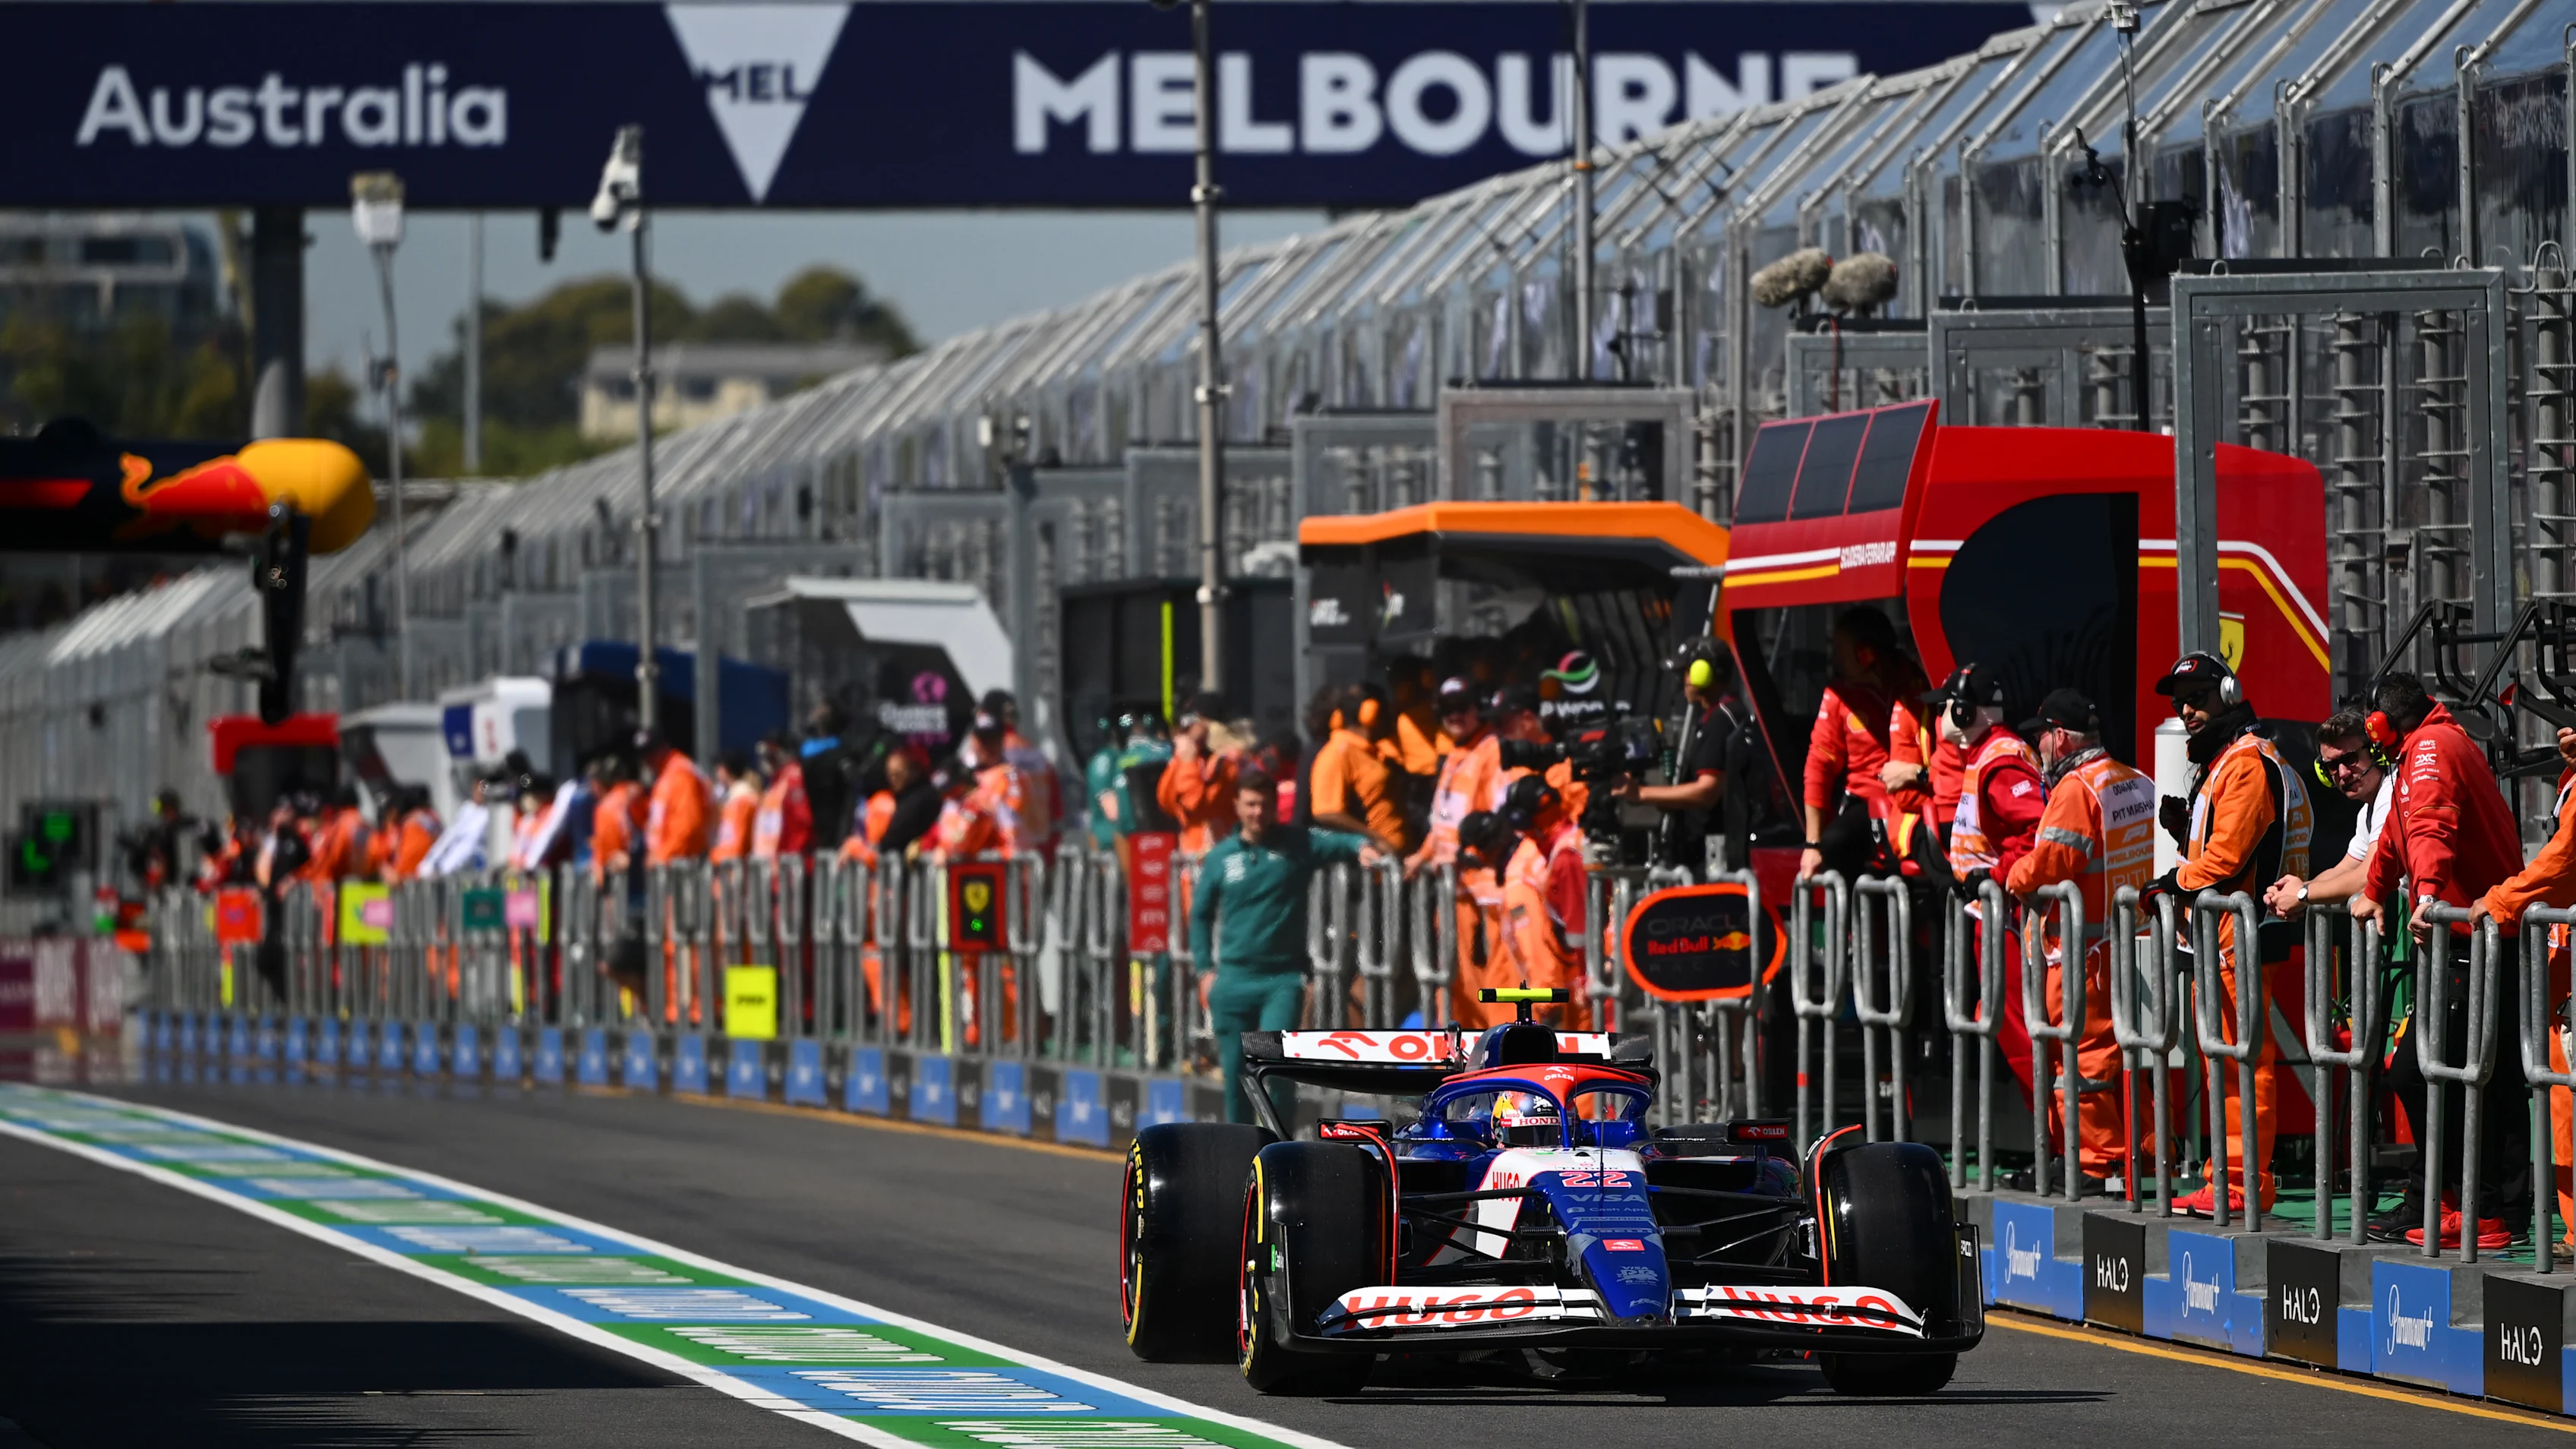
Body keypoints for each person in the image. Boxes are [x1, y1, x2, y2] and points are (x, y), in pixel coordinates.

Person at [2350, 672, 2526, 1248]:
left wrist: (2424, 897)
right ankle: (2463, 1201)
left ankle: (2479, 1208)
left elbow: (2430, 828)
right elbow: (2398, 839)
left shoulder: (2429, 749)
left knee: (2443, 1073)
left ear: (2381, 723)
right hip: (2474, 932)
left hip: (2475, 935)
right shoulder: (2428, 746)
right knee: (2461, 1073)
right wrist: (2376, 889)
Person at [2143, 651, 2312, 1218]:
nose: (2188, 710)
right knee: (2227, 1060)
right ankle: (2228, 1178)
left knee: (2239, 1060)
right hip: (2225, 936)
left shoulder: (2243, 762)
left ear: (2230, 692)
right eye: (2180, 700)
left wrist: (2169, 882)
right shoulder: (2231, 760)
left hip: (2235, 938)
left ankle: (2241, 1183)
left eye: (2198, 697)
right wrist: (2184, 826)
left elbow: (2225, 858)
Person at [2001, 689, 2158, 1192]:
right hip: (2127, 942)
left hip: (2080, 954)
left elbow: (2050, 865)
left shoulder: (2076, 789)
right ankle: (2145, 1149)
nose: (2039, 746)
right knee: (2124, 1053)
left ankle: (2094, 1161)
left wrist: (2013, 874)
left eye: (2041, 735)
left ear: (2062, 735)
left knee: (2081, 1057)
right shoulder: (2133, 780)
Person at [1190, 769, 1381, 1122]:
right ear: (1237, 806)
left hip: (1280, 980)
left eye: (1264, 804)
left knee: (1274, 1067)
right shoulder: (1220, 857)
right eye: (1250, 805)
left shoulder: (1296, 845)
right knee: (1236, 1076)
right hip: (1232, 981)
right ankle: (1241, 1151)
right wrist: (1204, 970)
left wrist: (1362, 847)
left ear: (1275, 806)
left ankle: (1280, 1151)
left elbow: (1337, 842)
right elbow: (1199, 915)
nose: (1257, 812)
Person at [2475, 725, 2576, 1256]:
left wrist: (2500, 901)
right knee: (2560, 1097)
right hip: (2565, 964)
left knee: (2566, 1095)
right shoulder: (2572, 777)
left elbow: (2561, 861)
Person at [1404, 677, 1507, 1027]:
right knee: (1453, 986)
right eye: (1447, 710)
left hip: (1482, 894)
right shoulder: (1457, 754)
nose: (1455, 716)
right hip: (1455, 894)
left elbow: (1498, 818)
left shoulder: (1491, 751)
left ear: (1478, 707)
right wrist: (1422, 856)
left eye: (1463, 707)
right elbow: (1444, 822)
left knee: (1488, 987)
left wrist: (1466, 856)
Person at [1799, 606, 1927, 880]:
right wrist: (1813, 844)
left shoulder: (1917, 682)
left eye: (1839, 649)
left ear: (1865, 653)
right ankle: (1852, 923)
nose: (1833, 658)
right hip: (1865, 803)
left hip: (1918, 797)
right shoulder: (1838, 695)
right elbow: (1819, 765)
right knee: (1834, 844)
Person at [1616, 639, 1747, 872]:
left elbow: (1707, 791)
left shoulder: (1720, 720)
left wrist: (1641, 794)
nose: (1682, 681)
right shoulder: (1722, 715)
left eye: (1686, 672)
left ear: (1705, 672)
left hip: (1710, 859)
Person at [2264, 709, 2394, 919]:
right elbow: (2343, 870)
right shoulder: (2368, 811)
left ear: (2376, 753)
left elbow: (2367, 876)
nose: (2342, 773)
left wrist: (2301, 895)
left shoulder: (2391, 793)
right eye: (2332, 765)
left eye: (2350, 759)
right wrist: (2292, 891)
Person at [1495, 774, 1593, 1031]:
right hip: (1601, 972)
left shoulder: (1543, 864)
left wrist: (1547, 1003)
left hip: (1586, 986)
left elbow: (1537, 940)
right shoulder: (1577, 837)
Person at [1941, 665, 2045, 893]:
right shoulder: (1985, 751)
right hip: (1992, 902)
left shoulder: (2000, 762)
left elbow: (2040, 829)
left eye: (1945, 705)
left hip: (2007, 911)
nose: (1942, 714)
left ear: (1963, 711)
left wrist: (1995, 876)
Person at [1308, 682, 1410, 854]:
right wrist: (1374, 838)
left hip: (1394, 866)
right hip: (1371, 869)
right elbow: (1326, 813)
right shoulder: (1338, 753)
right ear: (1371, 713)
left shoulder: (1371, 752)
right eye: (1385, 711)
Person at [1158, 691, 1243, 856]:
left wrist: (1188, 763)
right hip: (1193, 857)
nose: (1184, 730)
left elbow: (1194, 805)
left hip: (1221, 858)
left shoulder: (1228, 761)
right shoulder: (1194, 758)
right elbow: (1167, 802)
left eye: (1191, 722)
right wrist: (1181, 759)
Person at [640, 731, 712, 867]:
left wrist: (663, 855)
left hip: (685, 864)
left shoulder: (681, 774)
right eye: (644, 755)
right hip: (670, 862)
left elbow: (688, 826)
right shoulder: (666, 775)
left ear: (665, 747)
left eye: (652, 752)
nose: (648, 759)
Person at [751, 732, 813, 860]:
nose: (766, 762)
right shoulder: (776, 783)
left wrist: (791, 859)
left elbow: (801, 823)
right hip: (771, 864)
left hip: (787, 865)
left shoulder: (794, 780)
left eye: (770, 756)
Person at [709, 750, 761, 863]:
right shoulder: (733, 797)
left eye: (719, 767)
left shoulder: (743, 798)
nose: (717, 772)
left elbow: (738, 843)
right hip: (728, 867)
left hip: (734, 870)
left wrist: (716, 858)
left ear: (725, 769)